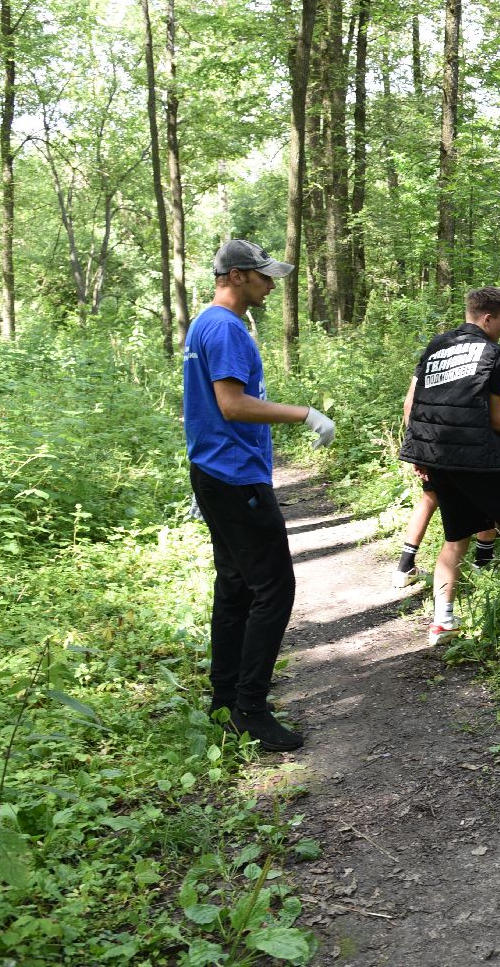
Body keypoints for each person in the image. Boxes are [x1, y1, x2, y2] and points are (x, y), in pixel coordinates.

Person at [183, 238, 336, 753]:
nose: (272, 284)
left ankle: (225, 699)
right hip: (234, 475)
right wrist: (304, 413)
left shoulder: (206, 321)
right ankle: (250, 708)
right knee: (274, 589)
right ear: (239, 275)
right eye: (266, 275)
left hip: (217, 472)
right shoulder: (224, 327)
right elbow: (231, 404)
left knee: (237, 587)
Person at [400, 287, 500, 645]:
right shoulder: (493, 353)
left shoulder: (436, 347)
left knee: (457, 536)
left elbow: (416, 403)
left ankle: (442, 622)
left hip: (437, 457)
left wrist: (419, 454)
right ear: (487, 319)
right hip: (476, 456)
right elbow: (497, 420)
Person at [392, 379, 500, 586]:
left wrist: (418, 449)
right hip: (473, 449)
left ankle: (406, 565)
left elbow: (409, 403)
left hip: (438, 443)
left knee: (432, 500)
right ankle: (495, 568)